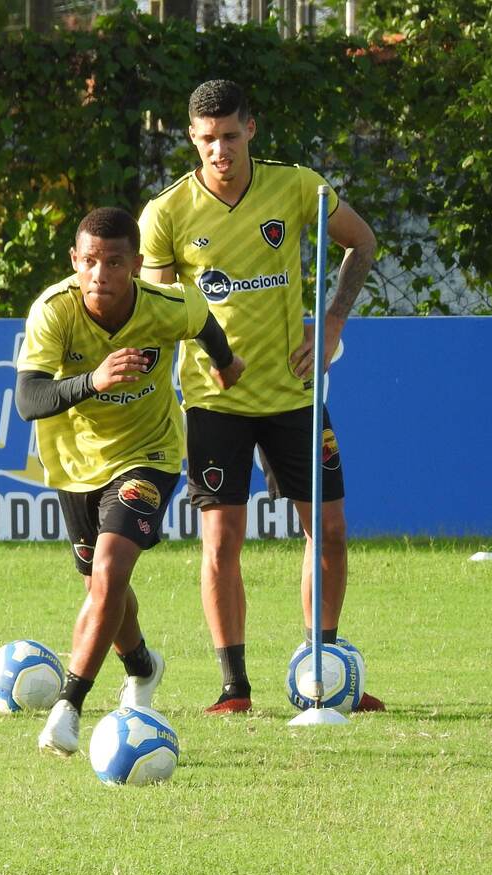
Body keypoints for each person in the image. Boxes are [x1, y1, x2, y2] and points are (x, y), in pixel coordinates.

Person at [137, 79, 383, 714]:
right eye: (207, 139)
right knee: (221, 543)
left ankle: (321, 673)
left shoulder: (297, 186)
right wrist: (206, 355)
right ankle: (234, 688)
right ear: (192, 138)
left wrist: (331, 322)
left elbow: (363, 241)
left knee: (327, 531)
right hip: (215, 401)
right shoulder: (165, 214)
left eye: (230, 135)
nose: (219, 150)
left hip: (295, 394)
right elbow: (159, 309)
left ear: (251, 128)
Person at [15, 207, 245, 754]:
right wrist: (93, 380)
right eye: (90, 261)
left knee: (111, 566)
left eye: (114, 262)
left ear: (136, 265)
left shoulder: (167, 303)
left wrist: (226, 362)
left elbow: (203, 322)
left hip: (152, 452)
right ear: (75, 261)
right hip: (74, 464)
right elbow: (29, 400)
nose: (100, 274)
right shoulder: (54, 311)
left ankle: (68, 707)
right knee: (99, 581)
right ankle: (141, 666)